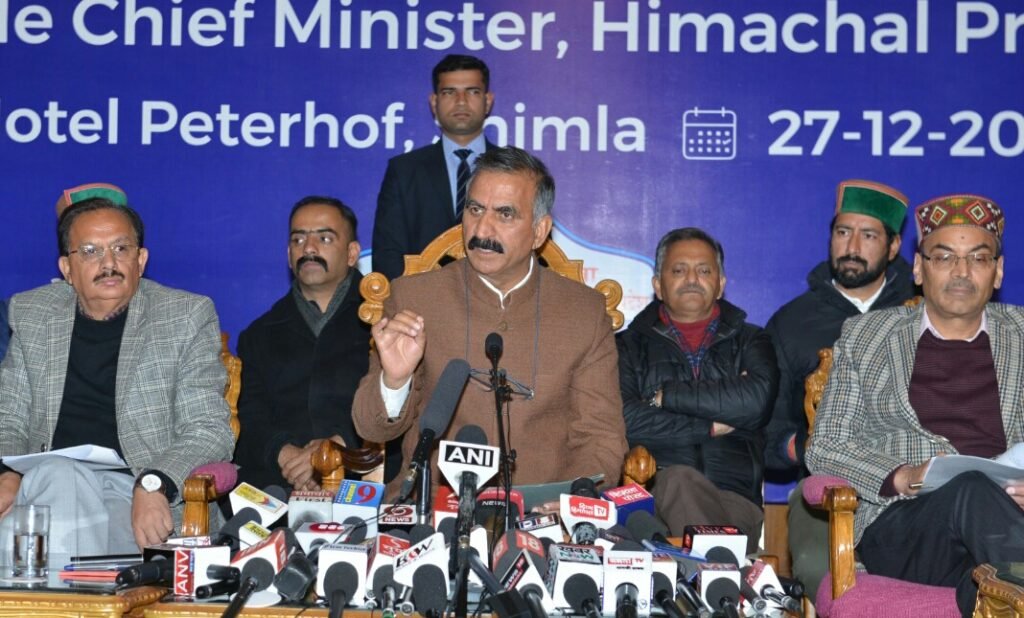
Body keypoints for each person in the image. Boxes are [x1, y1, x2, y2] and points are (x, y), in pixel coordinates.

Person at [353, 146, 627, 497]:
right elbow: (372, 429)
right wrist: (394, 381)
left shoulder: (584, 312)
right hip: (433, 507)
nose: (482, 229)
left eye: (505, 214)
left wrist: (573, 499)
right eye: (475, 209)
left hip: (542, 511)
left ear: (540, 231)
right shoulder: (414, 299)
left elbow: (600, 437)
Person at [806, 194, 1020, 617]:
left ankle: (1000, 588)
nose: (961, 272)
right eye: (944, 257)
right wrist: (903, 477)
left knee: (984, 576)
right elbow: (826, 445)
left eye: (978, 259)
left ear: (997, 272)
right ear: (919, 268)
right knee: (971, 486)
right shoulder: (867, 336)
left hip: (1004, 530)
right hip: (905, 528)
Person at [0, 197, 234, 555]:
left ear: (141, 260)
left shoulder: (184, 315)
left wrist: (154, 483)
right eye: (90, 251)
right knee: (56, 477)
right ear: (66, 268)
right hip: (41, 486)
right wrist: (8, 473)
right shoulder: (33, 313)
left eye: (121, 249)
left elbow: (208, 429)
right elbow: (9, 418)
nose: (108, 263)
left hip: (132, 493)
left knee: (36, 517)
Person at [764, 179, 915, 592]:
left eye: (869, 235)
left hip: (913, 484)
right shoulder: (791, 324)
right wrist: (802, 446)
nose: (852, 246)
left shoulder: (922, 312)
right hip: (826, 488)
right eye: (843, 232)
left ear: (894, 245)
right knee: (827, 575)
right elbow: (766, 432)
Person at [617, 228, 778, 553]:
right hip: (653, 499)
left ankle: (711, 571)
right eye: (679, 270)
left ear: (720, 284)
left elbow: (756, 401)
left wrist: (666, 396)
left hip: (734, 500)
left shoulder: (751, 340)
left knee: (685, 489)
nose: (692, 279)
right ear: (657, 285)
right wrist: (708, 425)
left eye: (704, 271)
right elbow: (626, 419)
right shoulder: (627, 347)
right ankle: (721, 575)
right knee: (678, 480)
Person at [234, 196, 397, 491]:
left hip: (365, 474)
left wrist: (337, 446)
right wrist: (286, 455)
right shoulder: (259, 334)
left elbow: (400, 402)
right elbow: (249, 415)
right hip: (281, 480)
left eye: (324, 238)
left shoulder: (386, 321)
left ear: (352, 253)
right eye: (298, 240)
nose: (308, 249)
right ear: (288, 255)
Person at [372, 54, 496, 280]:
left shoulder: (516, 171)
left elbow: (536, 250)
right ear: (433, 102)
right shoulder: (404, 171)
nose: (461, 101)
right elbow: (387, 256)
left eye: (472, 91)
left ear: (487, 101)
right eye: (449, 92)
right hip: (421, 298)